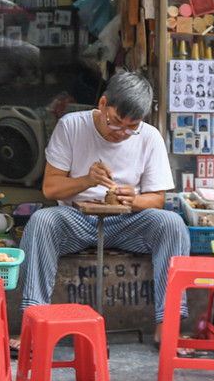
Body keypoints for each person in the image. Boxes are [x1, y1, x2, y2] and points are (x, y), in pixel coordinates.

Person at [19, 71, 190, 348]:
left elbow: (157, 200)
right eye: (116, 122)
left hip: (127, 223)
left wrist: (133, 200)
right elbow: (50, 189)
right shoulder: (71, 126)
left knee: (172, 224)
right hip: (77, 219)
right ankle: (31, 322)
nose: (121, 133)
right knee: (41, 221)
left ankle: (167, 325)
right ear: (102, 103)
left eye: (130, 127)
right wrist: (87, 180)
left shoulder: (149, 137)